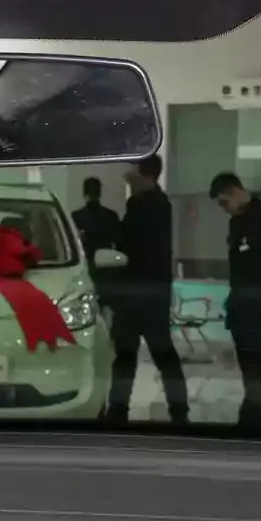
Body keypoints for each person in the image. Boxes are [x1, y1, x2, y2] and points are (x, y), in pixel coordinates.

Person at [103, 154, 188, 424]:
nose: (128, 174)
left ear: (146, 173)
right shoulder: (156, 204)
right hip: (150, 295)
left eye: (132, 169)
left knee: (138, 356)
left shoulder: (148, 206)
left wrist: (111, 229)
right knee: (146, 356)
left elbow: (128, 243)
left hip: (141, 295)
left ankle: (121, 410)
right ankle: (176, 410)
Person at [211, 171, 261, 430]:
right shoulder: (235, 223)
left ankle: (255, 409)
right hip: (240, 299)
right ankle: (252, 403)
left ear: (234, 191)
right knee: (245, 357)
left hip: (258, 299)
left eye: (224, 202)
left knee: (254, 356)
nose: (225, 209)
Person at [70, 176, 120, 259]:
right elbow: (118, 242)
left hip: (86, 258)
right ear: (99, 193)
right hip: (106, 259)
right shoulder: (111, 216)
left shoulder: (76, 216)